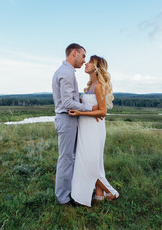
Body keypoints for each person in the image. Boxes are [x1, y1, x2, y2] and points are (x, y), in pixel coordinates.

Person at [69, 55, 119, 207]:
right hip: (86, 128)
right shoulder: (90, 85)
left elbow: (103, 112)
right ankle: (99, 194)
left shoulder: (98, 86)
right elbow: (95, 106)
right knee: (92, 163)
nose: (86, 63)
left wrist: (80, 113)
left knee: (88, 163)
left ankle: (111, 192)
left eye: (90, 62)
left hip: (94, 130)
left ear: (97, 67)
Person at [52, 43, 97, 205]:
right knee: (66, 159)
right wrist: (90, 108)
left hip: (70, 118)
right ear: (74, 53)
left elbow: (70, 99)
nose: (84, 60)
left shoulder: (67, 72)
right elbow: (67, 103)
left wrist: (78, 100)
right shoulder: (65, 73)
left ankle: (75, 191)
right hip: (66, 118)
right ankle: (63, 198)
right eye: (83, 56)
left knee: (72, 157)